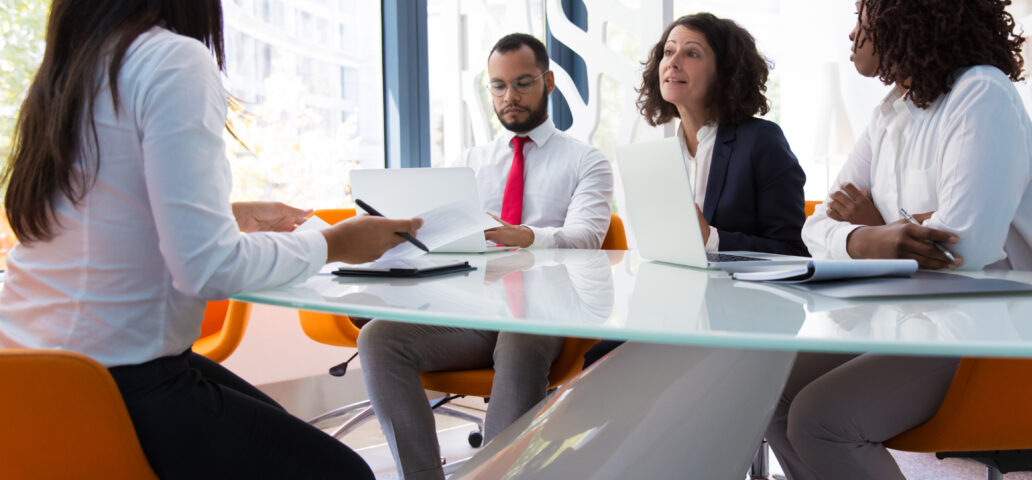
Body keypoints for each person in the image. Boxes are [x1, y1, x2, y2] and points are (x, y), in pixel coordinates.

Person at [0, 1, 421, 478]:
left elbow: (100, 212)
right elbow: (208, 268)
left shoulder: (75, 64)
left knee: (280, 433)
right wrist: (332, 243)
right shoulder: (172, 59)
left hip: (23, 371)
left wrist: (230, 215)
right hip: (114, 380)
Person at [768, 1, 1032, 478]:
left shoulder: (982, 95)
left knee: (820, 418)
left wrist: (873, 230)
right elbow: (814, 228)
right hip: (920, 320)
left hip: (999, 333)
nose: (852, 35)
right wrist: (879, 236)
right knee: (764, 393)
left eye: (864, 20)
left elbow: (962, 248)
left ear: (906, 19)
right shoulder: (890, 114)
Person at [355, 33, 614, 480]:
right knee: (377, 337)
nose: (509, 97)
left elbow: (589, 237)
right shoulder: (470, 163)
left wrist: (527, 236)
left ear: (548, 82)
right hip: (474, 312)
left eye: (522, 83)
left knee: (518, 337)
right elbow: (443, 237)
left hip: (545, 314)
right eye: (498, 86)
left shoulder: (586, 160)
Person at [584, 12, 809, 367]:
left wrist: (711, 239)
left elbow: (794, 255)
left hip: (737, 327)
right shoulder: (661, 154)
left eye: (691, 53)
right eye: (668, 52)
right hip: (673, 315)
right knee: (595, 365)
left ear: (724, 72)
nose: (672, 62)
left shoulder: (761, 142)